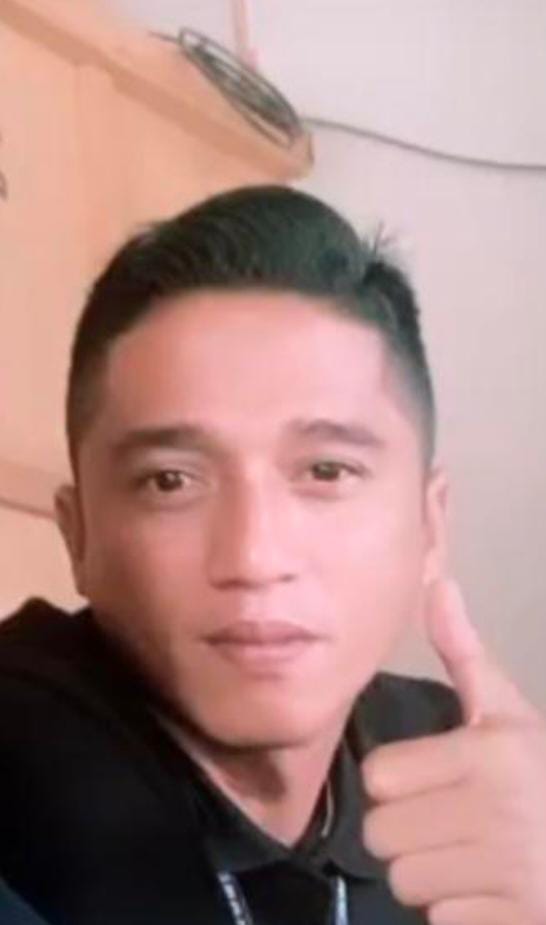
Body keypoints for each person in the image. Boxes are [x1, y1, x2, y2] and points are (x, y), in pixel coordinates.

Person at [1, 186, 545, 925]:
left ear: (429, 524)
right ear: (79, 536)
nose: (254, 557)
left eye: (326, 471)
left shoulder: (457, 761)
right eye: (171, 481)